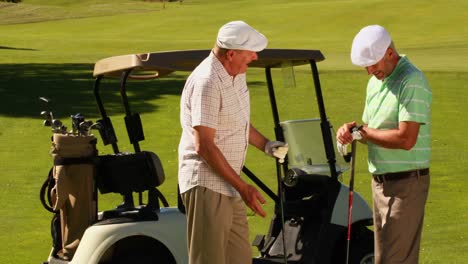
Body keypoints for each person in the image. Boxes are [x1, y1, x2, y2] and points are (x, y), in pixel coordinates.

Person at [178, 20, 288, 264]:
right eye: (250, 52)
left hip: (229, 184)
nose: (255, 57)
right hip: (206, 185)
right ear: (231, 54)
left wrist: (267, 145)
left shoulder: (235, 74)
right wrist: (243, 188)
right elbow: (204, 145)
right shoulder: (207, 81)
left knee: (240, 258)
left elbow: (238, 124)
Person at [336, 25, 432, 264]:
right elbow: (373, 131)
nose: (369, 71)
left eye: (373, 64)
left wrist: (364, 132)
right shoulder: (376, 82)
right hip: (380, 184)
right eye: (365, 66)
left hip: (406, 184)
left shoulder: (411, 80)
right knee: (383, 259)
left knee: (394, 260)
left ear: (390, 52)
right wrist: (353, 132)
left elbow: (406, 138)